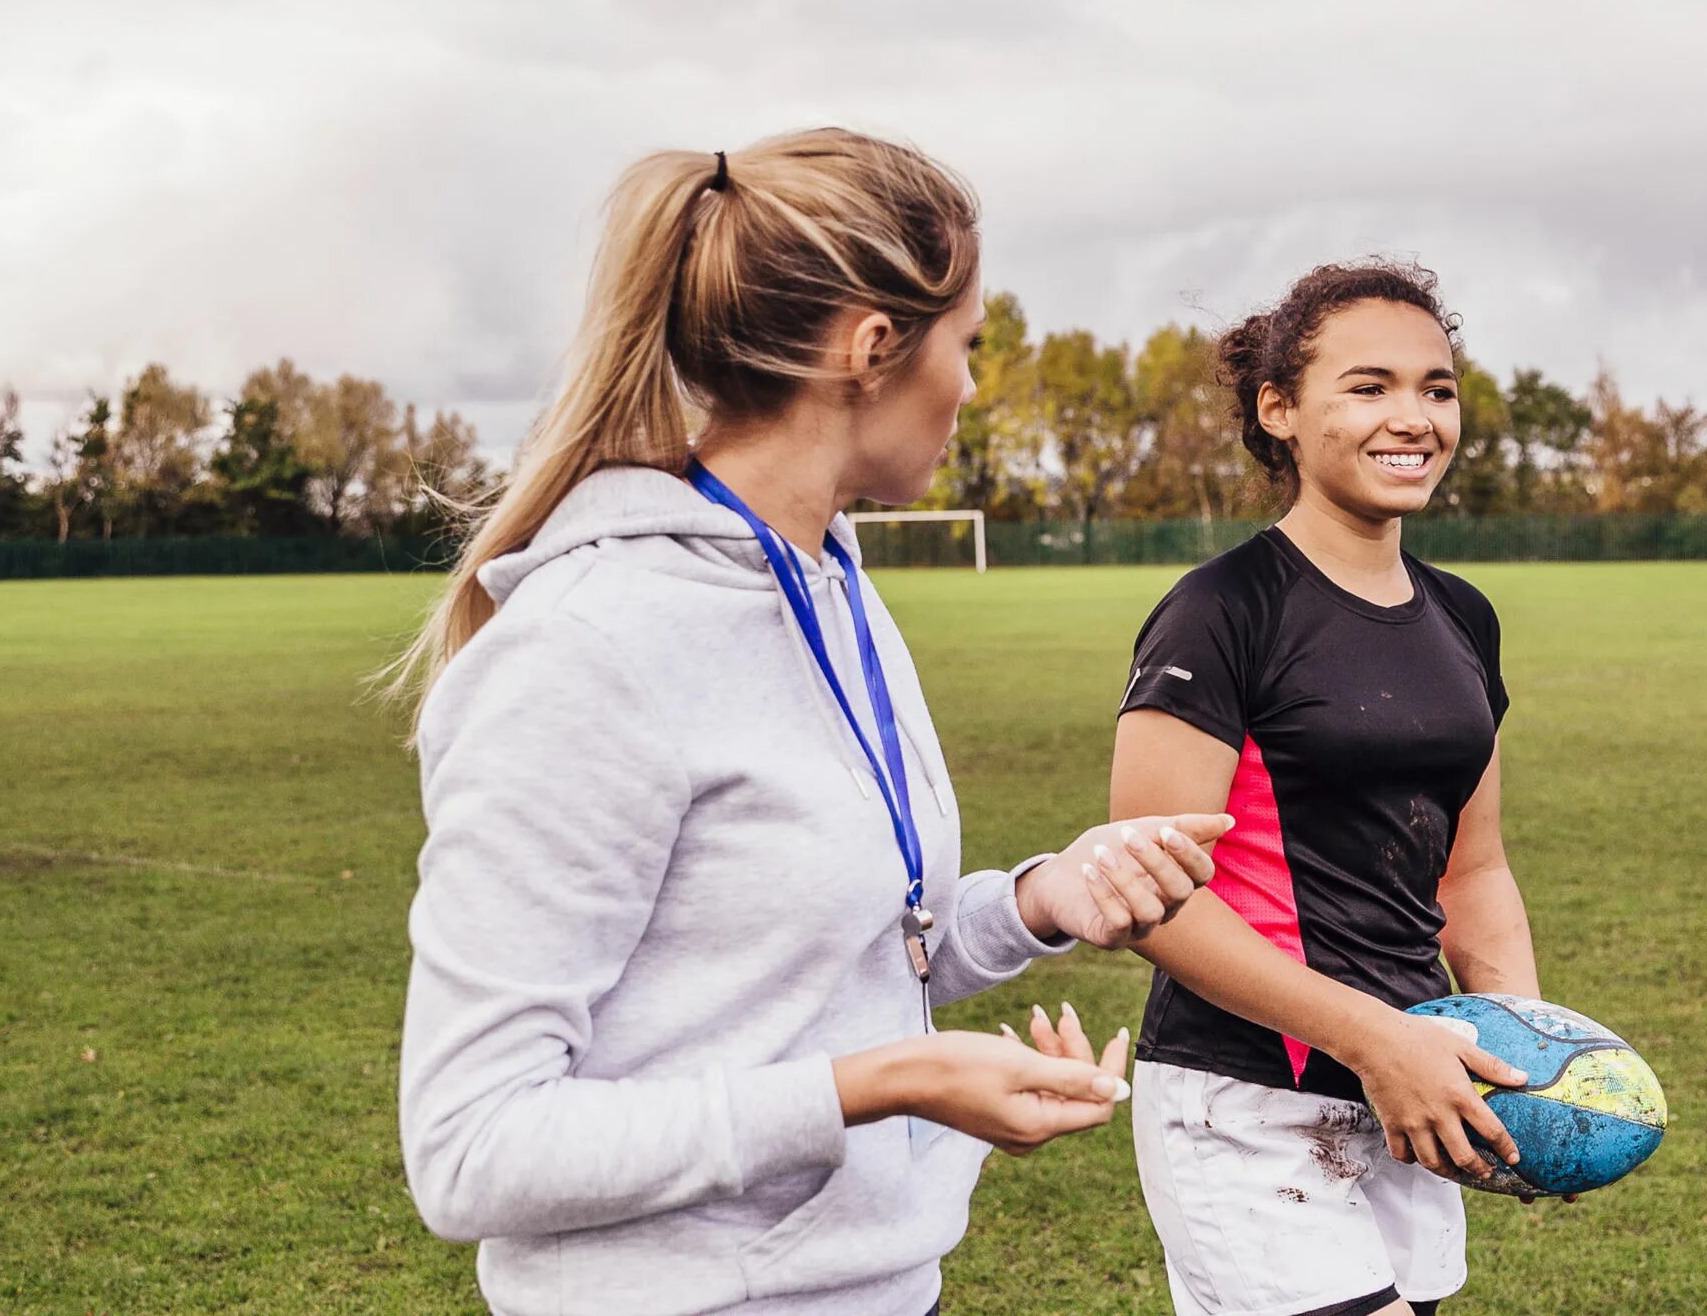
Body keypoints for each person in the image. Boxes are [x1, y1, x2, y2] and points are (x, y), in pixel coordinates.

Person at [386, 127, 1229, 1316]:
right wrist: (888, 1081)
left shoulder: (828, 582)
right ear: (872, 347)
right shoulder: (587, 646)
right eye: (970, 345)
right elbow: (472, 1150)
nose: (974, 386)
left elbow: (833, 962)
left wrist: (1043, 899)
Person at [1110, 260, 1550, 1316]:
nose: (1413, 418)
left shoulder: (1463, 619)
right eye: (1369, 387)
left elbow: (1473, 870)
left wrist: (1527, 1060)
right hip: (1246, 1102)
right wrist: (1372, 1039)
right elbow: (1147, 893)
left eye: (1435, 388)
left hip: (1410, 1088)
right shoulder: (1221, 612)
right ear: (1279, 410)